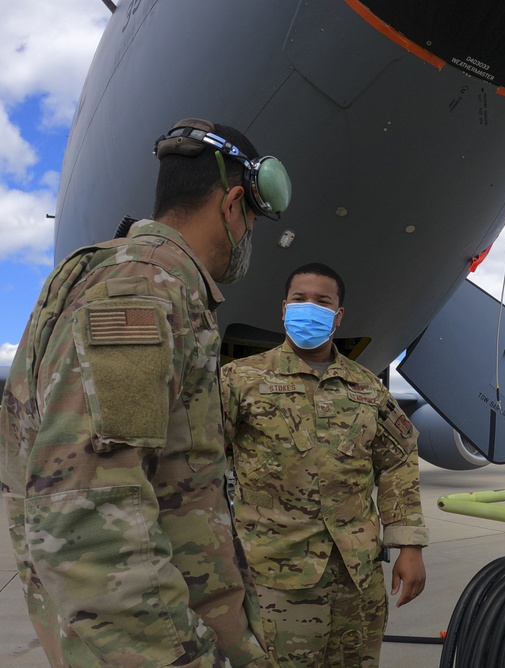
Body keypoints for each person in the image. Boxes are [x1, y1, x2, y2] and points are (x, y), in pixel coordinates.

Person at [0, 117, 291, 666]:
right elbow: (86, 519)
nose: (249, 236)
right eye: (252, 219)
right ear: (232, 207)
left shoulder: (136, 282)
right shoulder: (145, 292)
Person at [221, 262, 429, 667]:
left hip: (358, 576)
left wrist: (409, 544)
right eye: (300, 299)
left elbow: (398, 460)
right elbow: (201, 462)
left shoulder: (367, 387)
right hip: (277, 578)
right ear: (284, 308)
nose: (309, 307)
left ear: (338, 315)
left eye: (322, 301)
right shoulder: (239, 380)